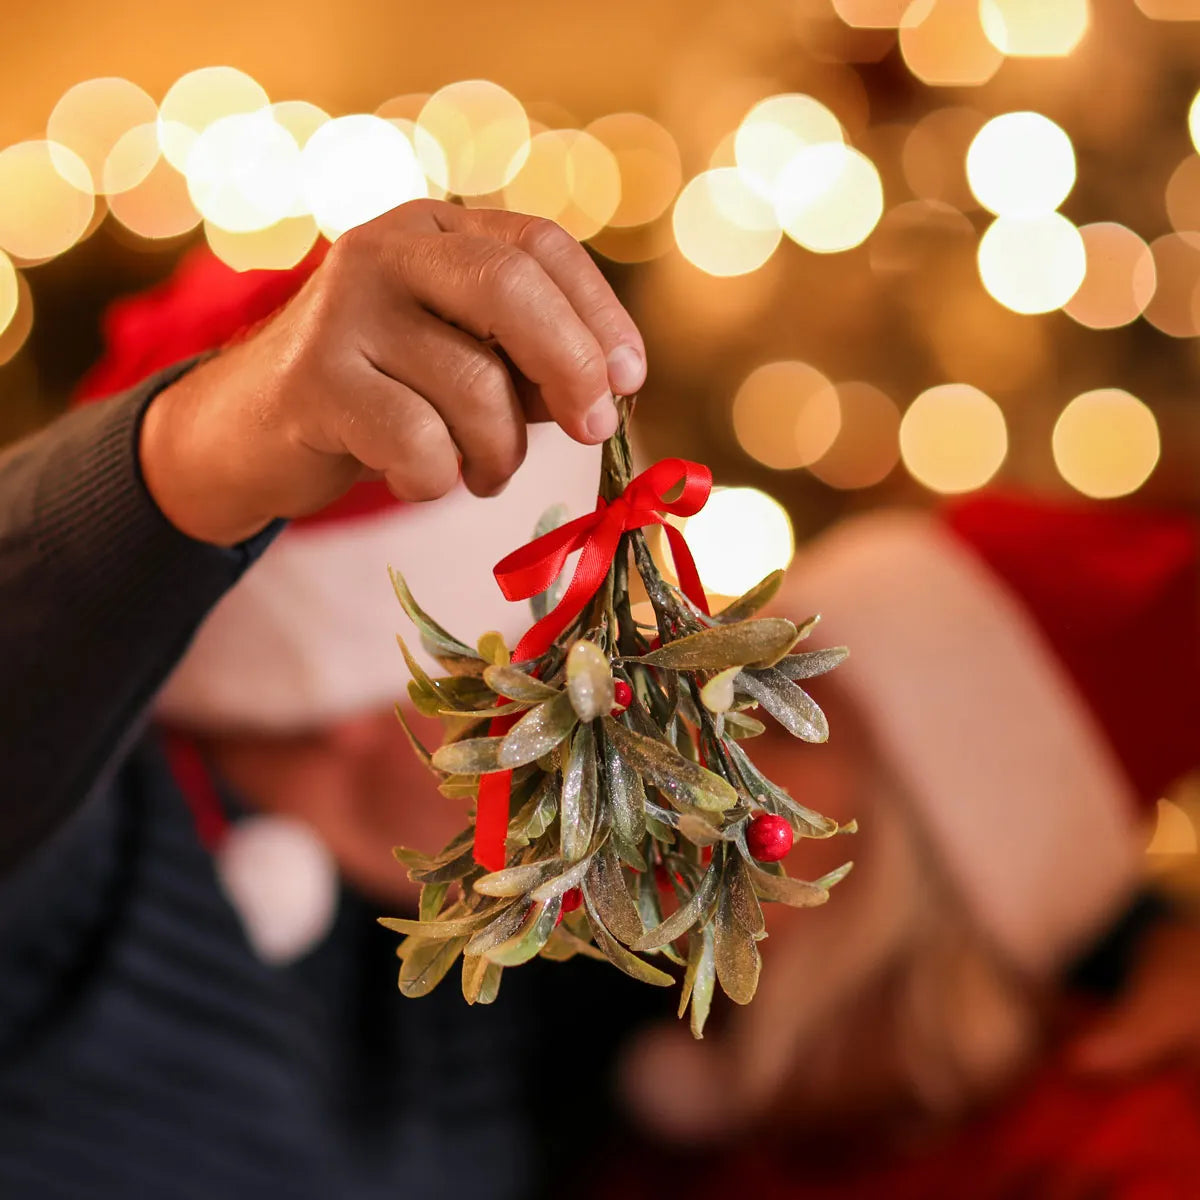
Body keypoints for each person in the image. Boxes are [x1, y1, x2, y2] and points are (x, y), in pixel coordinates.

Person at [0, 200, 656, 1199]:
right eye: (562, 664)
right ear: (376, 677)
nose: (622, 718)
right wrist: (194, 455)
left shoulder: (471, 973)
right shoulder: (75, 858)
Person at [615, 494, 1200, 1197]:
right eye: (716, 709)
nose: (694, 763)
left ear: (930, 833)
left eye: (776, 724)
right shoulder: (655, 1117)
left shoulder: (1109, 1159)